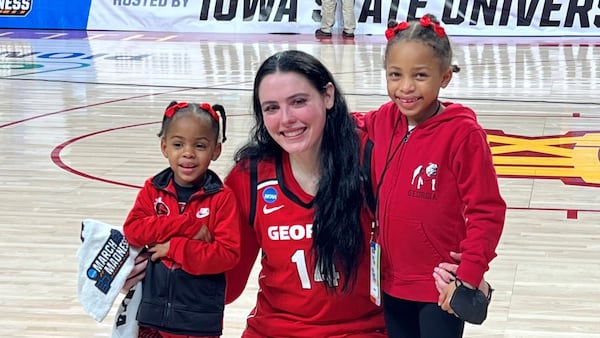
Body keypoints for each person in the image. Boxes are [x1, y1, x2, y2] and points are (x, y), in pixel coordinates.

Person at [355, 14, 505, 338]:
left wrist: (468, 276)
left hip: (440, 289)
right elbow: (352, 123)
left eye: (420, 75)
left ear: (445, 77)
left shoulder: (463, 135)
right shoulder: (383, 120)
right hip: (390, 281)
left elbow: (488, 210)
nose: (405, 87)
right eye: (395, 75)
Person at [223, 49, 384, 337]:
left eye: (298, 102)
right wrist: (159, 269)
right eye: (271, 108)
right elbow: (227, 285)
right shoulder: (250, 176)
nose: (286, 119)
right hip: (273, 330)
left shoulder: (370, 157)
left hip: (363, 330)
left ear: (328, 96)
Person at [122, 101, 242, 338]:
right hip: (151, 318)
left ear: (215, 151)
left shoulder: (222, 198)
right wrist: (184, 225)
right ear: (164, 147)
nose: (188, 153)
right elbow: (133, 230)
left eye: (199, 145)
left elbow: (228, 254)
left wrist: (174, 247)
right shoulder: (152, 189)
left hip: (198, 320)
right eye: (178, 144)